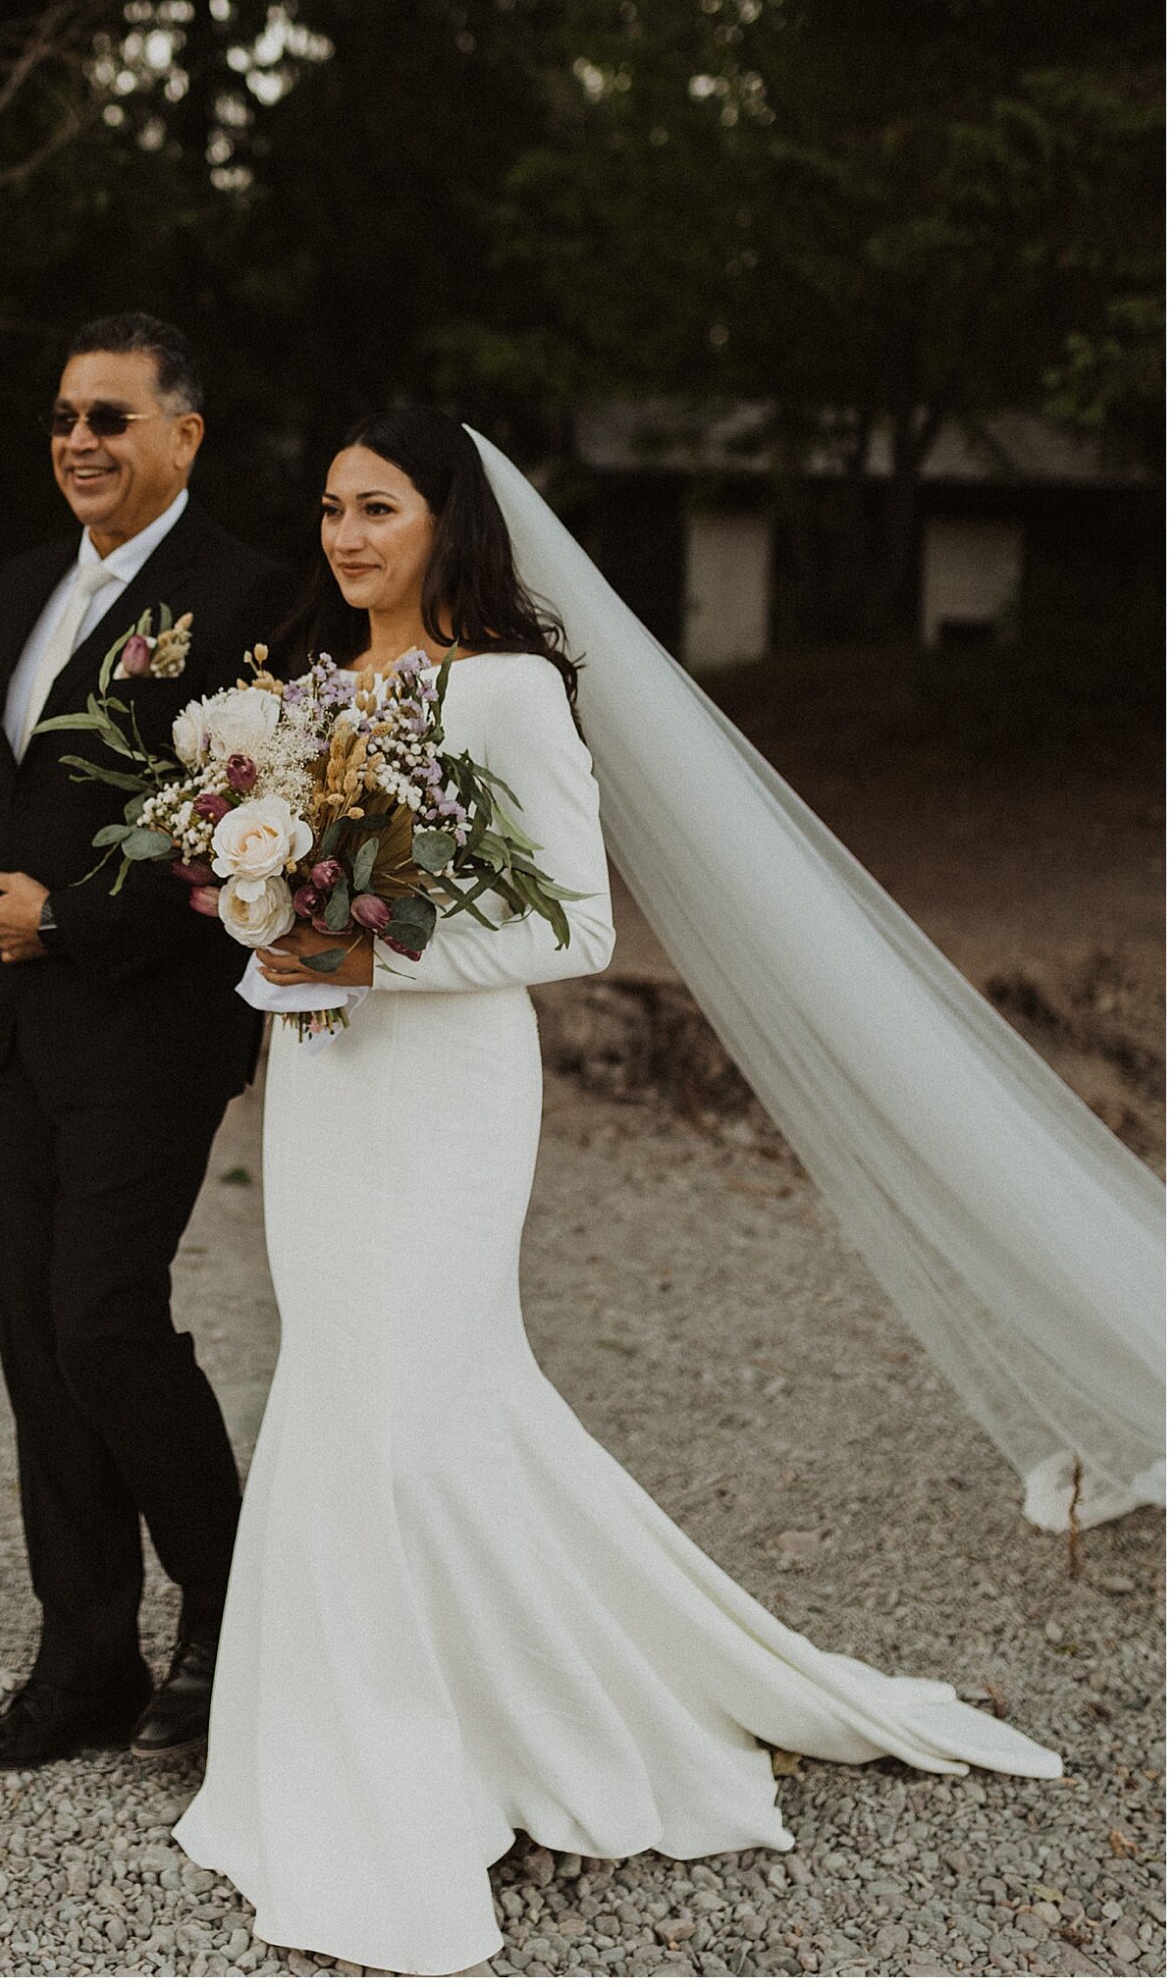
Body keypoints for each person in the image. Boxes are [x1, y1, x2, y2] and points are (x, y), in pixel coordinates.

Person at [173, 408, 1064, 1978]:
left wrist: (382, 948)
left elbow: (579, 929)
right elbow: (294, 888)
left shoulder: (507, 690)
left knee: (419, 1396)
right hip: (326, 1078)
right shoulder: (309, 695)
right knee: (337, 1382)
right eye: (328, 510)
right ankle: (341, 1721)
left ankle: (453, 1735)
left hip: (444, 1087)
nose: (346, 538)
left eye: (378, 509)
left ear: (451, 522)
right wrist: (270, 909)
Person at [0, 312, 286, 1771]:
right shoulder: (23, 582)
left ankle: (234, 1614)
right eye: (66, 417)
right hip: (6, 1029)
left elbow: (247, 836)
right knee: (35, 1344)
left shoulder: (249, 598)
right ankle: (83, 1654)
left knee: (103, 1322)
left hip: (145, 1026)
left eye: (112, 419)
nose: (80, 440)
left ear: (182, 436)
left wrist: (73, 922)